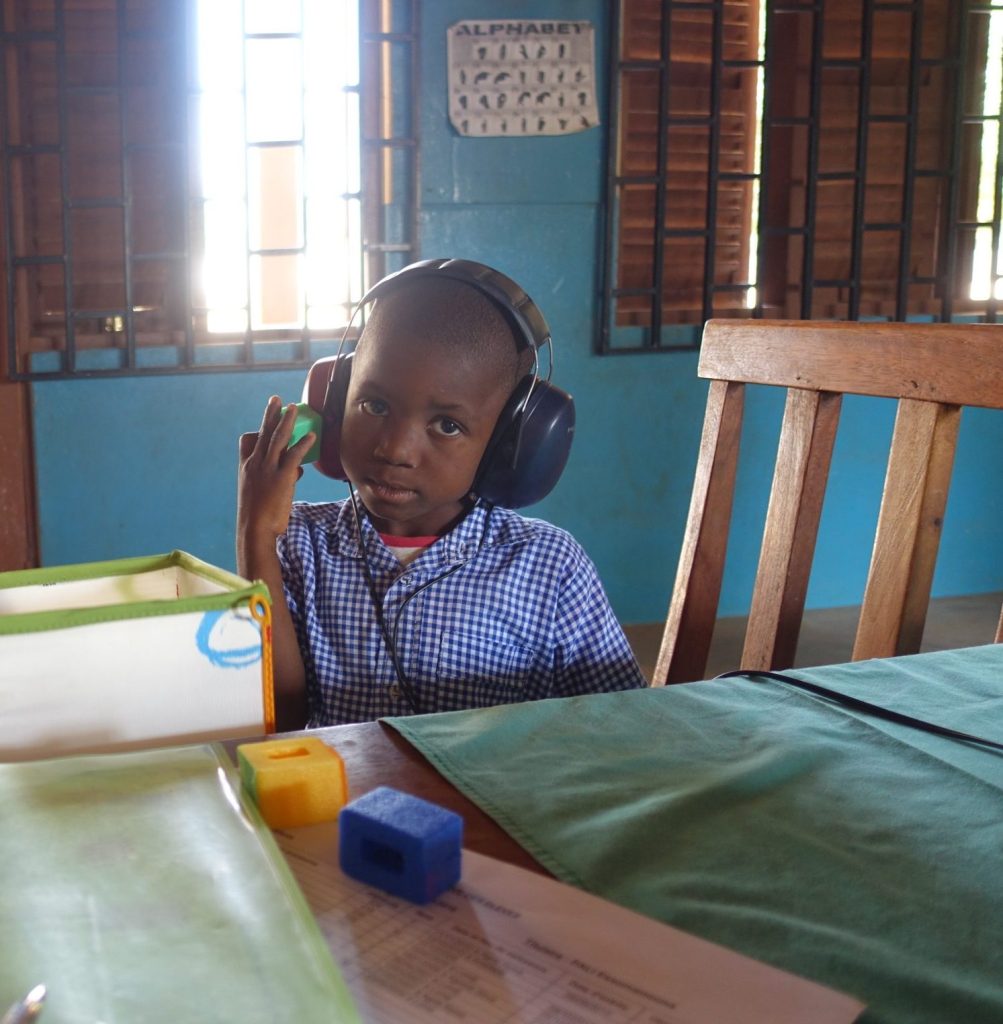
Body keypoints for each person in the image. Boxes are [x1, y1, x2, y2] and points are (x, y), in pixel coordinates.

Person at [237, 262, 646, 730]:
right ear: (334, 403)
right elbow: (280, 721)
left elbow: (624, 726)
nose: (394, 449)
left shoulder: (550, 567)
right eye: (375, 405)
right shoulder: (296, 545)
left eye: (447, 425)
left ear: (509, 442)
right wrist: (257, 534)